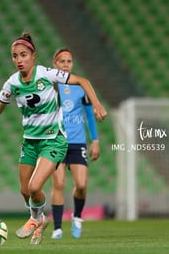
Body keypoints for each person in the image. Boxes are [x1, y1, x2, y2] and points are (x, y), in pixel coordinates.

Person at [0, 33, 107, 245]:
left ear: (34, 56)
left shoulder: (46, 74)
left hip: (53, 140)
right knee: (25, 191)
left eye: (23, 55)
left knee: (34, 187)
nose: (19, 60)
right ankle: (40, 219)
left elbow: (82, 81)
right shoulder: (12, 83)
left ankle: (35, 219)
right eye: (15, 56)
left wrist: (96, 104)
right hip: (30, 142)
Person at [49, 48, 100, 239]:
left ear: (72, 64)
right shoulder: (51, 86)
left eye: (68, 61)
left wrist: (95, 140)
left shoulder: (80, 86)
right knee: (59, 183)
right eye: (61, 61)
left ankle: (77, 217)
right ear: (55, 64)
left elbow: (89, 115)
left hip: (78, 141)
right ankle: (57, 228)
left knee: (81, 184)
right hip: (56, 141)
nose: (65, 64)